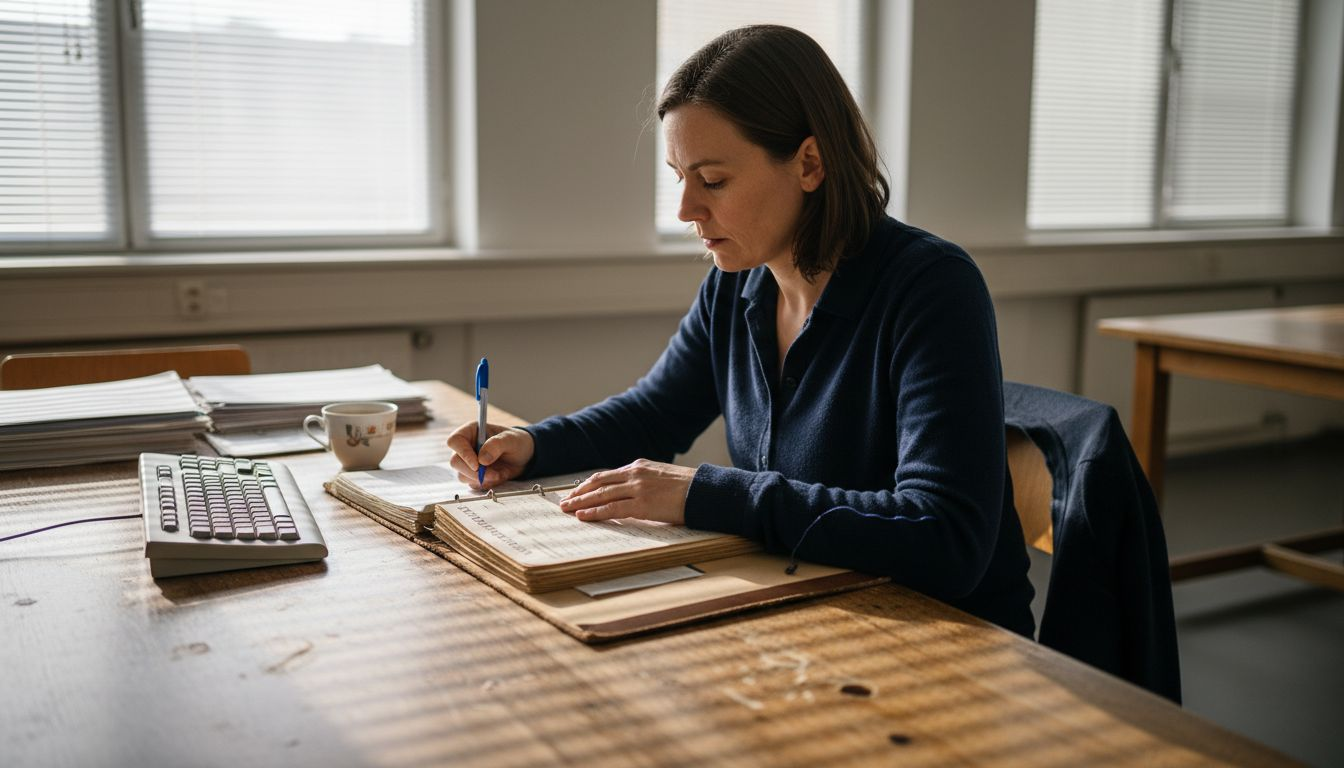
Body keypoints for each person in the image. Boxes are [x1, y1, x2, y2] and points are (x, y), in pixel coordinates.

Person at [447, 25, 1035, 636]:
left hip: (946, 639)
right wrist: (535, 447)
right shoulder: (737, 283)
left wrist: (704, 494)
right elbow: (653, 415)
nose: (686, 210)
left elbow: (945, 536)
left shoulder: (932, 287)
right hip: (812, 615)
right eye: (680, 177)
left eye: (714, 180)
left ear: (810, 163)